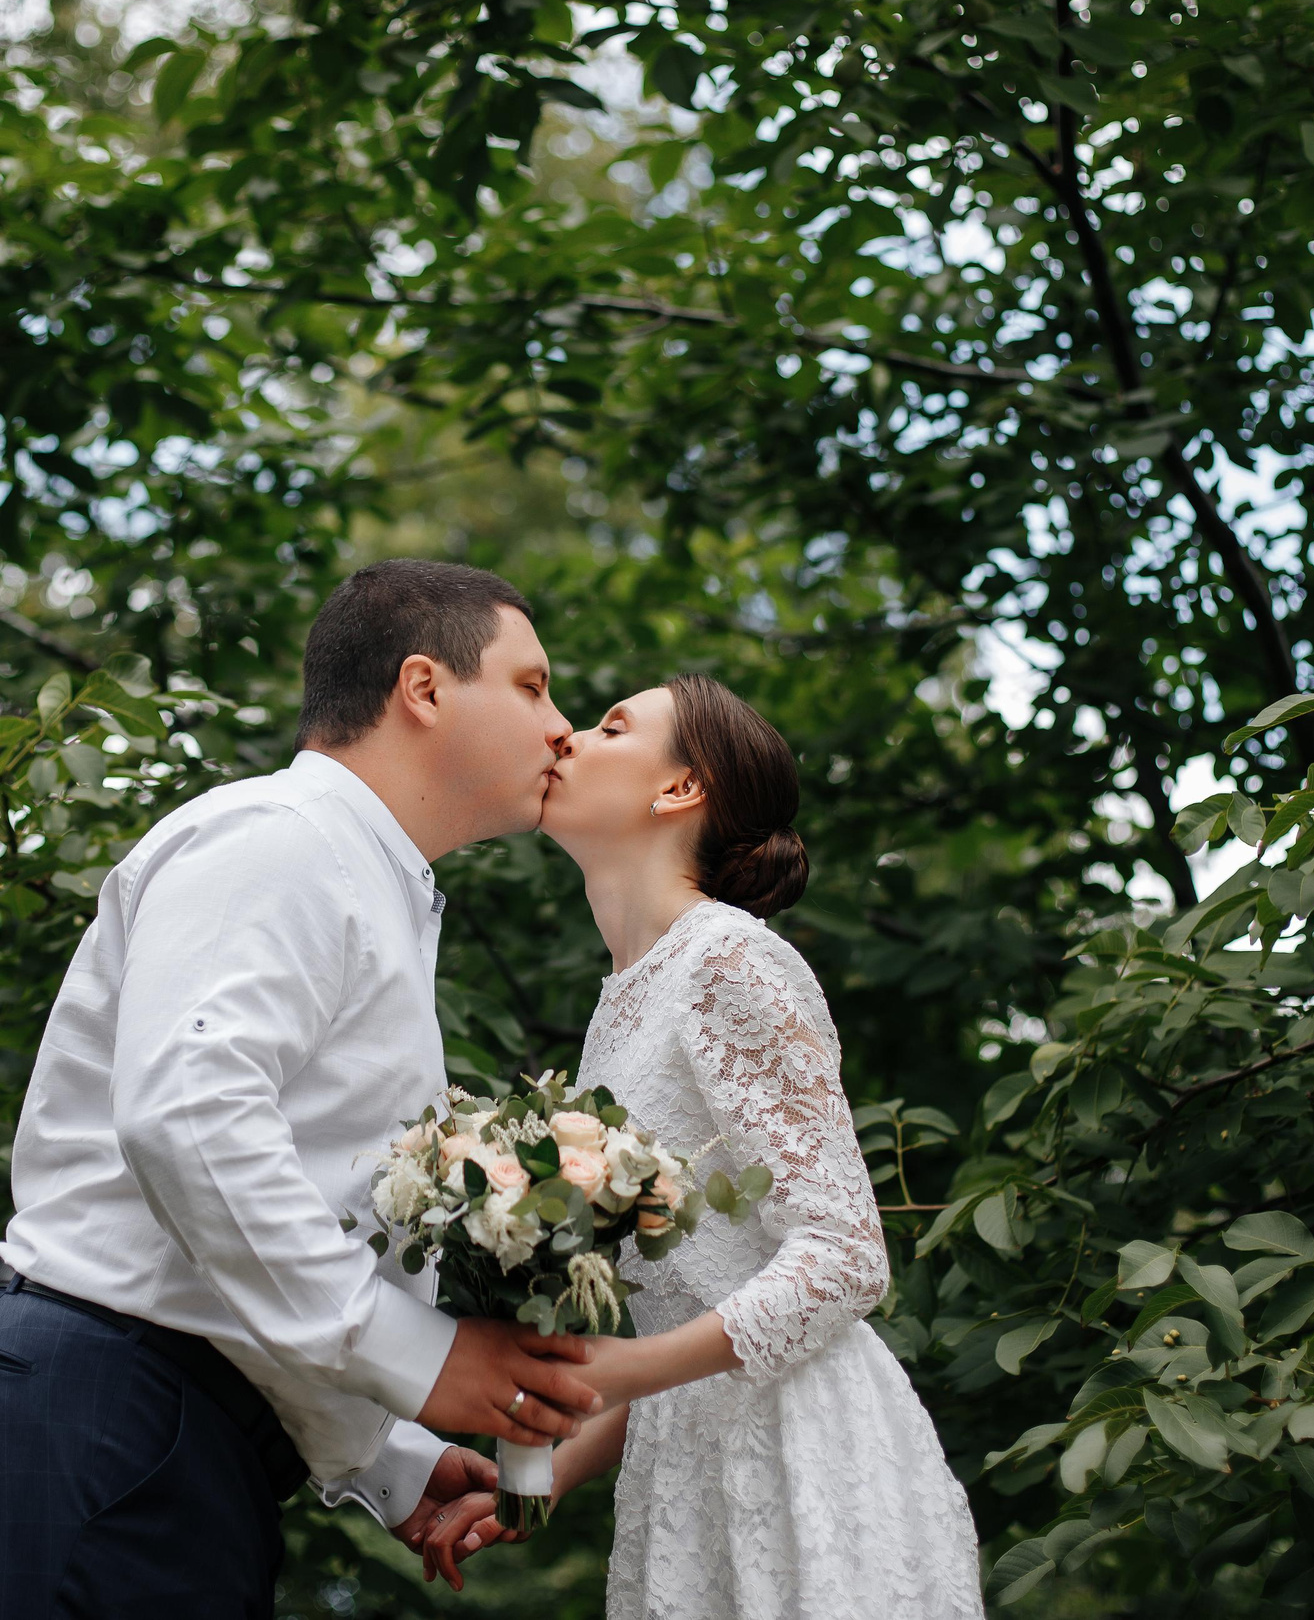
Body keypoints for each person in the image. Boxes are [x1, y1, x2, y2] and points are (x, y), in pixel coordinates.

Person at [0, 559, 606, 1619]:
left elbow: (245, 1235)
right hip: (99, 1405)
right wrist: (417, 1356)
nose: (561, 728)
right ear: (422, 688)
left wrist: (385, 1458)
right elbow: (189, 1120)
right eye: (530, 684)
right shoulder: (282, 840)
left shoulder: (363, 879)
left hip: (165, 1428)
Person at [421, 674, 986, 1618]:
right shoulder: (616, 1016)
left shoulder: (729, 957)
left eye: (610, 727)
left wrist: (623, 1369)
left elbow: (846, 1257)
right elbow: (681, 1319)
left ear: (679, 789)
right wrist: (551, 1474)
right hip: (684, 1473)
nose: (564, 738)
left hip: (807, 1451)